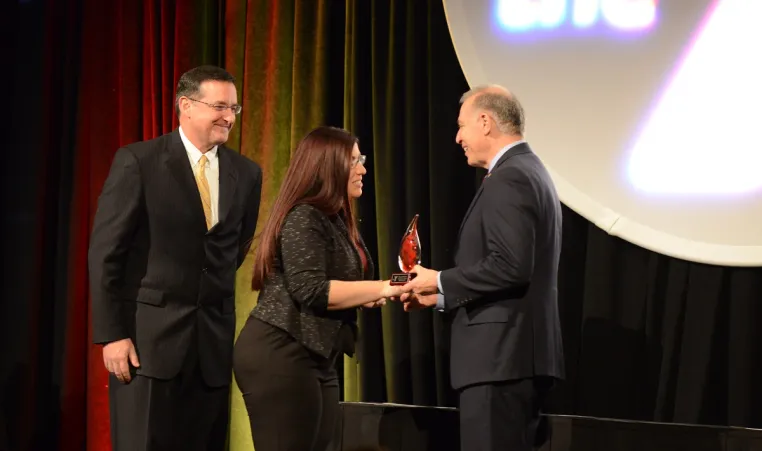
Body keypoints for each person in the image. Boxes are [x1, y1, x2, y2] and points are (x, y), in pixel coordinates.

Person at [88, 65, 263, 451]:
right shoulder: (140, 162)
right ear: (185, 105)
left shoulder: (247, 174)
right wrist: (112, 334)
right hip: (146, 347)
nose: (229, 117)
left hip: (211, 349)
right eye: (219, 106)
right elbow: (106, 254)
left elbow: (232, 250)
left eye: (235, 108)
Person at [400, 85, 565, 451]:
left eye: (462, 125)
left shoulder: (512, 177)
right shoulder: (527, 170)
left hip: (501, 361)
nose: (458, 137)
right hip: (511, 359)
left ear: (485, 121)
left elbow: (511, 266)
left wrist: (439, 279)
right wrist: (439, 296)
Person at [233, 126, 405, 451]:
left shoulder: (335, 219)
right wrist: (381, 289)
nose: (362, 169)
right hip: (280, 352)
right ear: (329, 166)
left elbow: (344, 284)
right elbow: (310, 290)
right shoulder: (304, 216)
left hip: (317, 357)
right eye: (353, 161)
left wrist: (386, 288)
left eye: (361, 159)